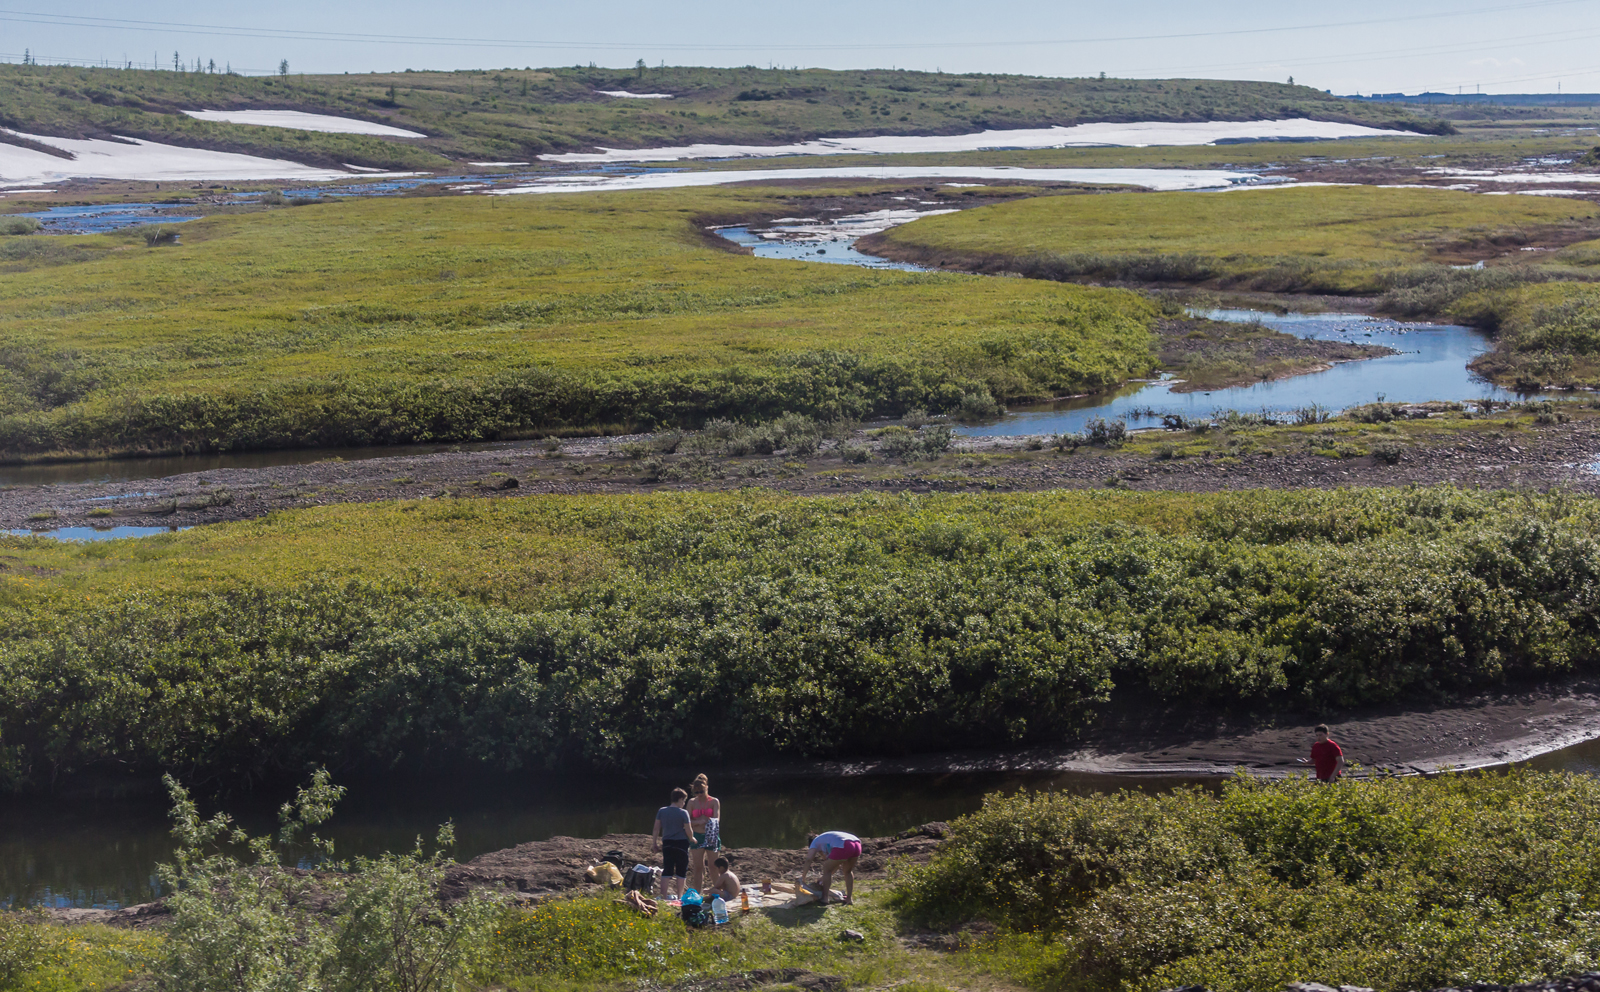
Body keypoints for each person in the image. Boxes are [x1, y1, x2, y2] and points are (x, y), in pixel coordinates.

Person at [799, 830, 861, 905]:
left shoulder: (814, 842)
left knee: (826, 869)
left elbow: (809, 859)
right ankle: (849, 899)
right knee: (847, 871)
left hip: (843, 844)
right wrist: (823, 878)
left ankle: (824, 898)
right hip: (857, 844)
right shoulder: (827, 840)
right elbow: (836, 865)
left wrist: (803, 878)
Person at [653, 788, 693, 898]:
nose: (684, 803)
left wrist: (654, 843)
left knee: (667, 869)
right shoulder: (683, 813)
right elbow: (688, 830)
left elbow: (656, 829)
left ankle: (664, 896)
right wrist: (692, 838)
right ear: (680, 799)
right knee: (681, 871)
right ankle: (680, 897)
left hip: (667, 843)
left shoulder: (662, 811)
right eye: (684, 801)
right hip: (681, 844)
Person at [686, 774, 722, 893]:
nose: (699, 794)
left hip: (711, 835)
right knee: (698, 867)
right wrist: (700, 822)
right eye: (697, 792)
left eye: (702, 791)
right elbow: (686, 822)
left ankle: (717, 889)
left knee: (713, 866)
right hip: (697, 835)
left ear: (707, 787)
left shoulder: (714, 801)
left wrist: (701, 822)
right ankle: (697, 892)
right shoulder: (691, 802)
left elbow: (716, 819)